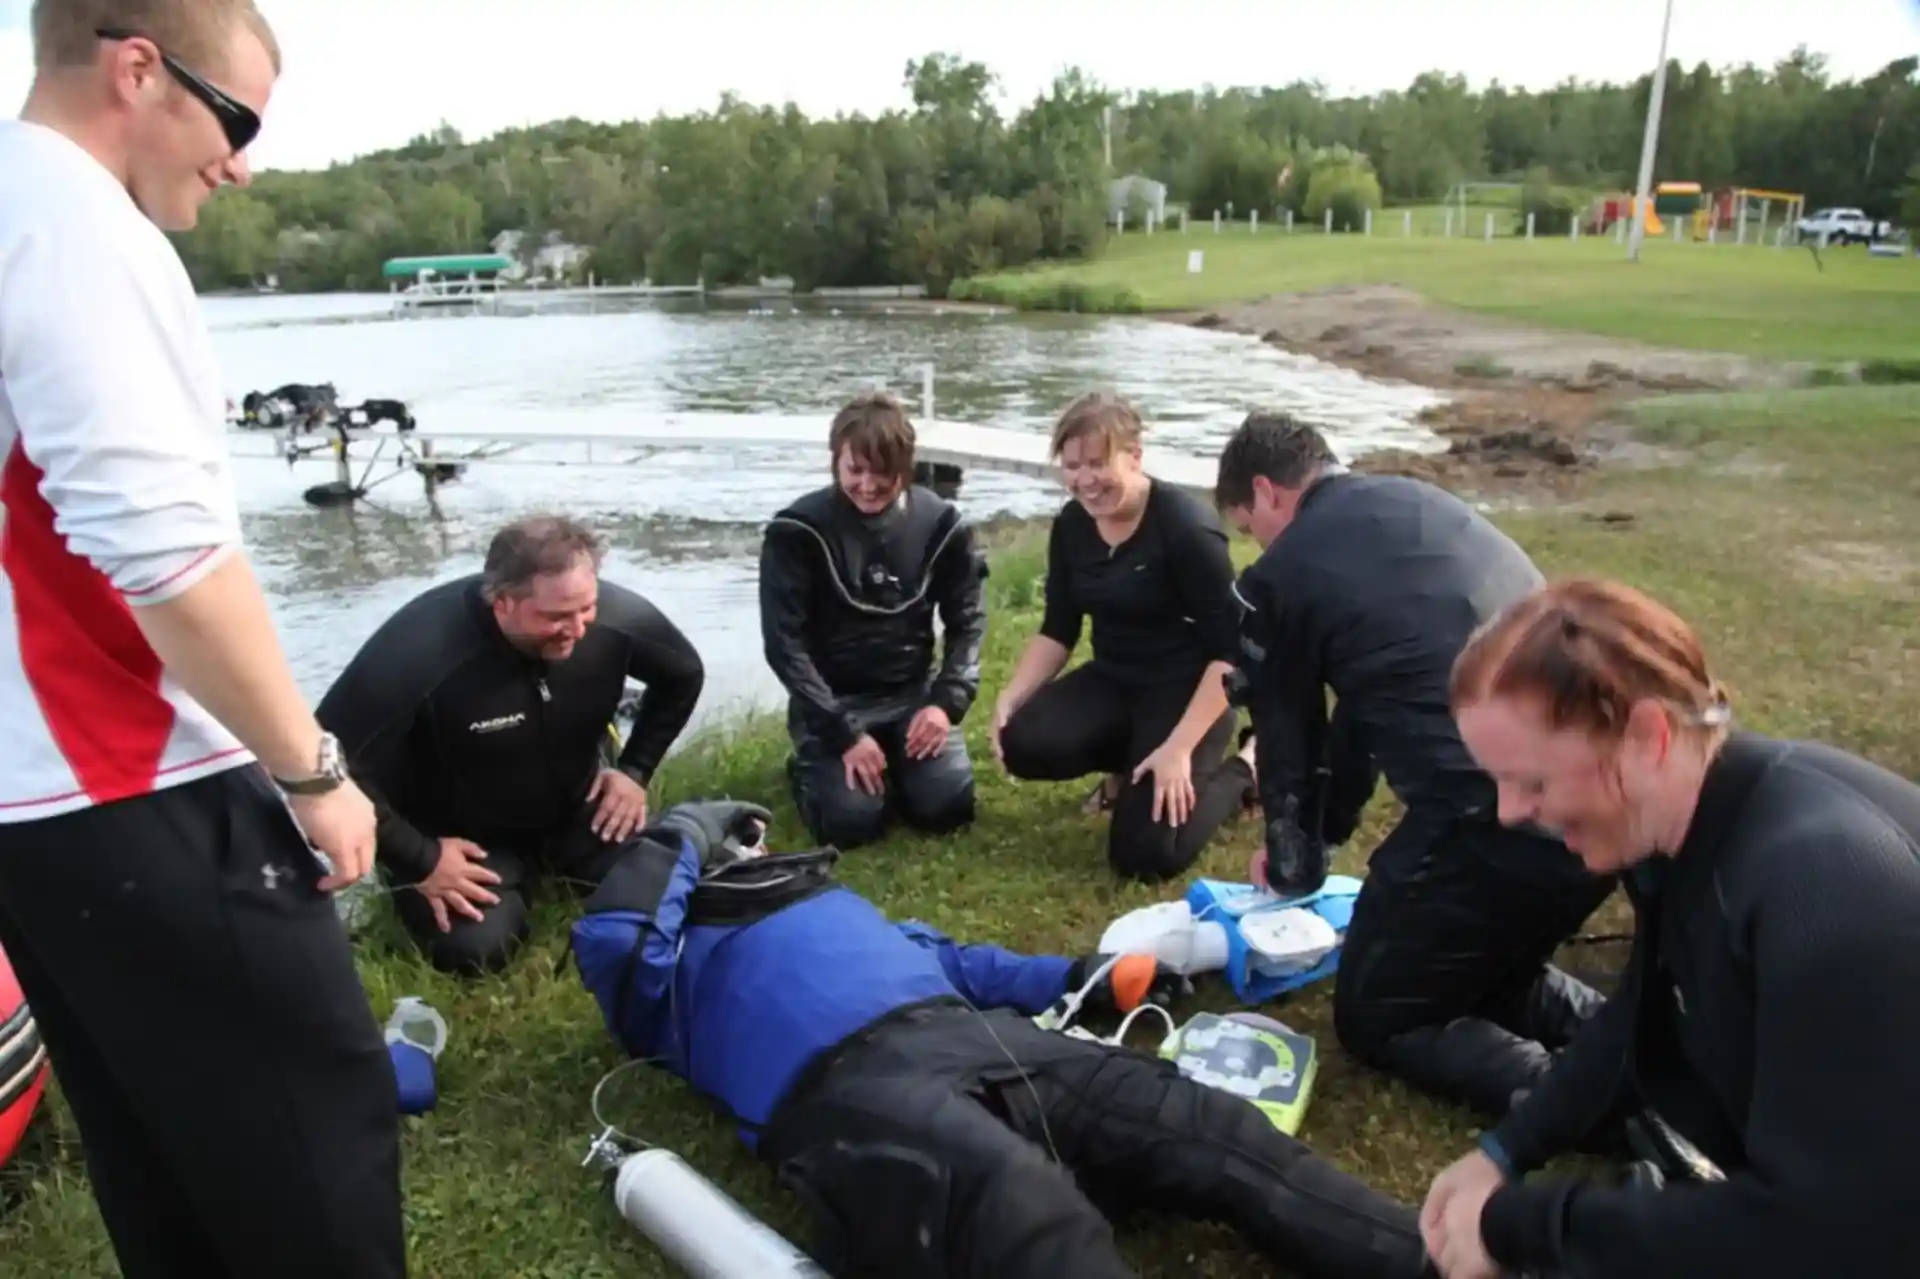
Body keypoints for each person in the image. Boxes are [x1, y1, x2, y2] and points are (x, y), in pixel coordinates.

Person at [0, 6, 406, 1277]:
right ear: (135, 70)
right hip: (132, 777)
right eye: (236, 122)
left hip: (30, 806)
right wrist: (312, 768)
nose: (242, 164)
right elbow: (167, 550)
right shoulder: (74, 228)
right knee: (313, 1135)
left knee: (156, 1148)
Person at [571, 797, 1441, 1279]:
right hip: (844, 1088)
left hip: (980, 1035)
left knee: (1204, 1124)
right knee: (1022, 1204)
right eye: (739, 849)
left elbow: (969, 963)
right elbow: (613, 933)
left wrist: (1090, 975)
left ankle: (1443, 1263)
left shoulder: (837, 904)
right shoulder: (669, 967)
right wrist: (683, 830)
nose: (760, 854)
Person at [1420, 577, 1920, 1279]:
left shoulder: (1826, 896)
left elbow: (1823, 1237)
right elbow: (1641, 1011)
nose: (1508, 811)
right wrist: (1504, 1151)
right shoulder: (1697, 826)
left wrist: (1516, 1225)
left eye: (1532, 781)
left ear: (1648, 736)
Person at [1213, 412, 1615, 1121]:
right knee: (1479, 976)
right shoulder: (1418, 505)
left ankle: (1599, 1104)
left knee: (1378, 1014)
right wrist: (1322, 838)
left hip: (1497, 819)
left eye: (1249, 526)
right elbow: (1365, 708)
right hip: (1610, 809)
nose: (1259, 547)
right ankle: (1644, 1044)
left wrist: (1293, 861)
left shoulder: (1285, 573)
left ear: (1268, 492)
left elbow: (1290, 743)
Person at [316, 514, 705, 976]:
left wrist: (635, 769)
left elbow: (683, 675)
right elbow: (325, 756)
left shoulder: (616, 621)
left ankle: (553, 866)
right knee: (478, 952)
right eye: (556, 617)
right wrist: (419, 856)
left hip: (578, 807)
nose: (578, 629)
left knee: (677, 889)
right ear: (502, 603)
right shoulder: (421, 648)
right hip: (460, 837)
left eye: (587, 608)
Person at [994, 390, 1256, 882]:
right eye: (1072, 465)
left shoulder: (1186, 529)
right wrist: (1012, 695)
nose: (1085, 480)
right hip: (1116, 678)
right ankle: (1128, 768)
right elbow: (1059, 627)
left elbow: (1230, 655)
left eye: (1098, 462)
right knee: (1021, 740)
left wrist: (1179, 748)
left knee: (1145, 857)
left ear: (1135, 458)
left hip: (1188, 691)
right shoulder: (1073, 525)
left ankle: (1247, 766)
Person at [759, 391, 987, 849]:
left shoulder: (944, 526)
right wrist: (842, 733)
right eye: (855, 470)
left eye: (882, 472)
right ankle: (811, 765)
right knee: (853, 824)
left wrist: (946, 702)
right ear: (835, 464)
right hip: (833, 702)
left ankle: (901, 763)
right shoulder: (795, 532)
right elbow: (784, 646)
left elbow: (968, 620)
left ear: (905, 466)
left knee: (947, 807)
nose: (868, 484)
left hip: (910, 695)